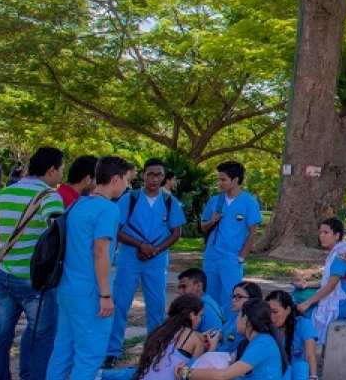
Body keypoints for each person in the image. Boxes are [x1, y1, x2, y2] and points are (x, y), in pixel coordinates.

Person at [46, 155, 135, 380]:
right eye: (126, 179)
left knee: (62, 351)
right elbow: (100, 251)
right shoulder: (108, 209)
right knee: (89, 355)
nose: (127, 185)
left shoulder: (77, 204)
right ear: (115, 179)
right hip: (90, 292)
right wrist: (105, 293)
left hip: (67, 288)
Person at [0, 146, 67, 380]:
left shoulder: (5, 193)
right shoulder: (49, 196)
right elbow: (55, 224)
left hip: (4, 276)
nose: (61, 175)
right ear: (51, 170)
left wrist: (3, 243)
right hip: (35, 281)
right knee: (41, 335)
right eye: (61, 170)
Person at [106, 157, 188, 368]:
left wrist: (155, 250)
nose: (154, 179)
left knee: (156, 307)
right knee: (121, 304)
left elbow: (176, 232)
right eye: (150, 174)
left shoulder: (170, 202)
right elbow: (118, 229)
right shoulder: (129, 198)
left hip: (156, 261)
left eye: (159, 174)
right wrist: (141, 245)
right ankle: (112, 350)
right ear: (143, 175)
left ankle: (154, 349)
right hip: (129, 259)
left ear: (164, 177)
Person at [200, 160, 263, 314]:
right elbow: (203, 226)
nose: (219, 183)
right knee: (209, 297)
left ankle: (229, 332)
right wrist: (211, 221)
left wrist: (241, 257)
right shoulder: (215, 201)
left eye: (223, 180)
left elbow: (252, 232)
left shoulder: (249, 202)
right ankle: (211, 330)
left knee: (232, 298)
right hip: (211, 256)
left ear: (235, 180)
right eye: (218, 179)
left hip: (231, 258)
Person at [100, 294, 208, 380]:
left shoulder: (160, 331)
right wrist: (211, 347)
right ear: (191, 315)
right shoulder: (196, 339)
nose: (200, 320)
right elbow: (196, 372)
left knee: (134, 371)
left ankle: (100, 375)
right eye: (200, 315)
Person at [174, 298, 287, 380]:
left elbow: (223, 375)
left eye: (239, 315)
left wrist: (187, 373)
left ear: (245, 319)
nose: (236, 320)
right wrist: (189, 363)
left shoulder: (263, 344)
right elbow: (221, 361)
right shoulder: (249, 342)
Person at [295, 218, 346, 343]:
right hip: (339, 299)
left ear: (337, 235)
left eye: (326, 233)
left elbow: (331, 286)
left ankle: (303, 355)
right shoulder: (337, 252)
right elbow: (328, 282)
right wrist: (307, 284)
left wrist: (308, 303)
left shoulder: (341, 255)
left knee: (301, 319)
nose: (321, 236)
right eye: (320, 232)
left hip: (342, 303)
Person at [266, 291, 318, 380]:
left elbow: (310, 355)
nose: (271, 317)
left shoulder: (303, 324)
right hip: (276, 371)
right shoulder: (265, 326)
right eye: (268, 312)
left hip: (298, 372)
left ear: (288, 310)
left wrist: (313, 377)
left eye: (275, 312)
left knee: (302, 366)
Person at [215, 282, 264, 354]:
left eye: (239, 297)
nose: (233, 300)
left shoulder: (246, 323)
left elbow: (225, 352)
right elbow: (222, 334)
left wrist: (213, 345)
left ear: (252, 299)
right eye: (233, 296)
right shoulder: (235, 315)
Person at [177, 268, 227, 335]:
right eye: (179, 288)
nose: (180, 292)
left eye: (184, 287)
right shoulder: (209, 301)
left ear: (198, 286)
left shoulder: (197, 306)